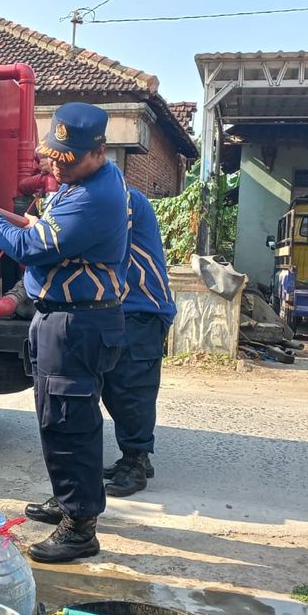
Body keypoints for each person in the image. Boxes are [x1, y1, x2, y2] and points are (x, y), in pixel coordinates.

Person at [0, 103, 128, 563]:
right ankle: (68, 500)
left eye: (67, 158)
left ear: (99, 151)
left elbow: (30, 246)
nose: (55, 163)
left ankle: (79, 527)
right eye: (54, 153)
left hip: (77, 323)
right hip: (69, 319)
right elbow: (40, 226)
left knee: (68, 424)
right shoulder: (86, 182)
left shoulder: (95, 197)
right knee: (61, 418)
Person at [100, 187, 175, 497]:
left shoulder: (121, 199)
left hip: (142, 307)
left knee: (133, 389)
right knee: (115, 388)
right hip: (120, 309)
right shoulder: (104, 197)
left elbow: (96, 239)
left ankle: (137, 460)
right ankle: (133, 457)